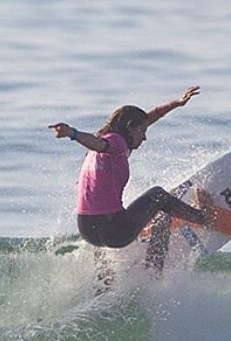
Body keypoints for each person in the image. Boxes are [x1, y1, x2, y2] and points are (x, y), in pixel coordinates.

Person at [49, 85, 214, 249]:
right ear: (129, 128)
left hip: (88, 230)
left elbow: (149, 117)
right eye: (142, 131)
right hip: (113, 230)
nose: (144, 137)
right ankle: (203, 218)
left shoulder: (103, 149)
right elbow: (97, 144)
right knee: (159, 197)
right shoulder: (117, 142)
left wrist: (176, 103)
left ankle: (107, 274)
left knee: (156, 213)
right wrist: (73, 134)